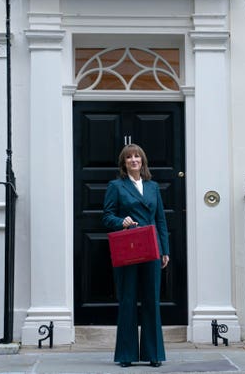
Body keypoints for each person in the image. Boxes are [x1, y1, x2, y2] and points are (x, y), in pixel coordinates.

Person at [103, 143, 170, 368]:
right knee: (128, 299)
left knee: (152, 299)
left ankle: (154, 354)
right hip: (129, 246)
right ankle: (126, 354)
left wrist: (165, 250)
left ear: (142, 161)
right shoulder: (116, 186)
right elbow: (107, 216)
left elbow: (160, 219)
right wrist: (120, 222)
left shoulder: (152, 187)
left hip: (152, 247)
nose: (134, 160)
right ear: (124, 163)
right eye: (129, 157)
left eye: (137, 157)